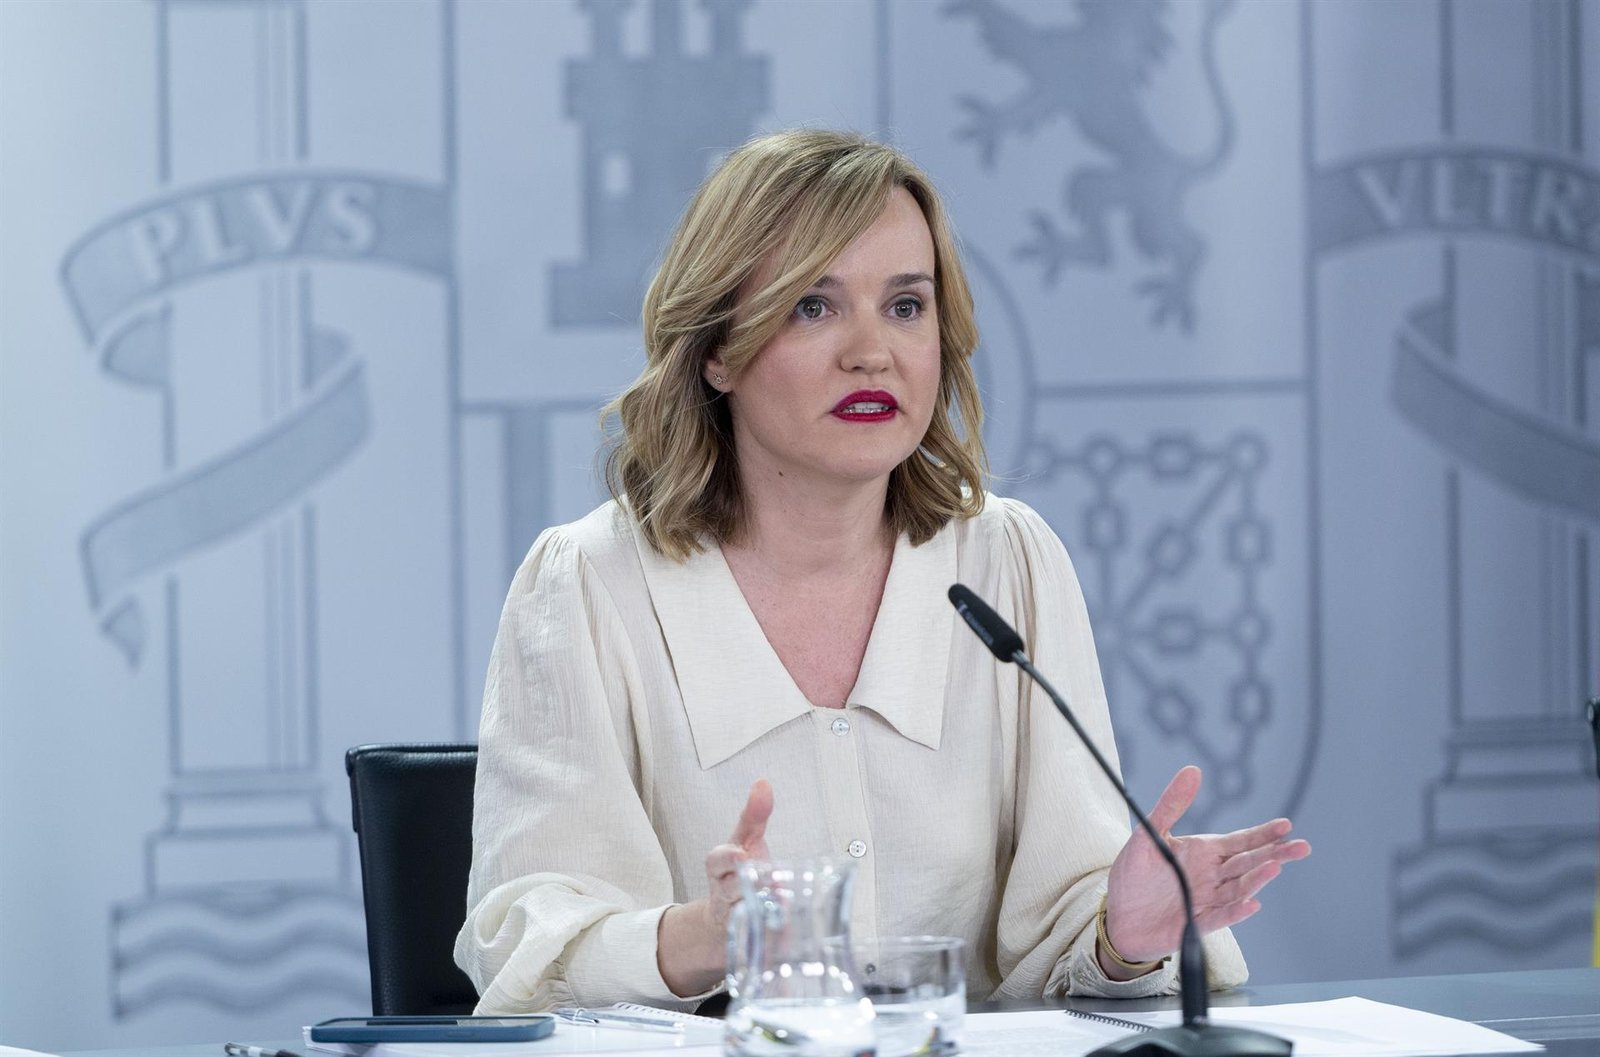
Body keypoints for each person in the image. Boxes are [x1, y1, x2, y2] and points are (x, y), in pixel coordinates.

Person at [454, 129, 1309, 1014]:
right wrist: (703, 936)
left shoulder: (1006, 561)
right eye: (812, 307)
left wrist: (1121, 936)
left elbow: (1063, 940)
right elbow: (526, 947)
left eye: (905, 306)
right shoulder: (590, 584)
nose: (873, 352)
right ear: (717, 349)